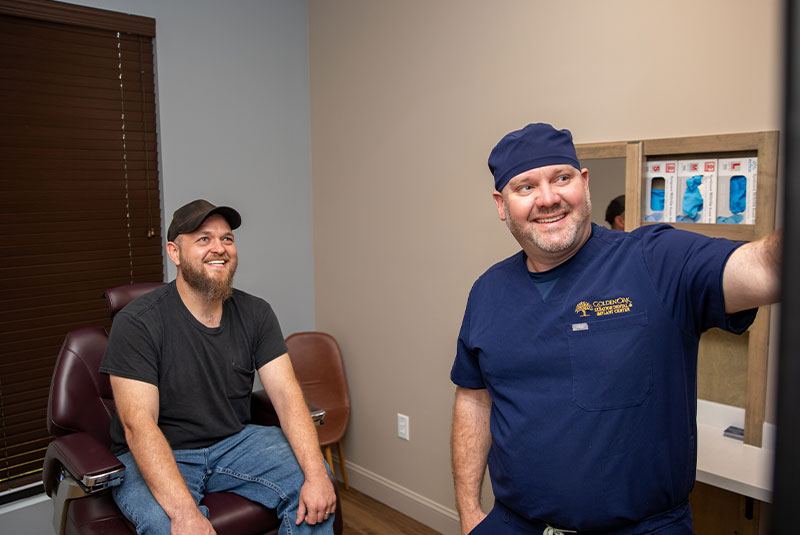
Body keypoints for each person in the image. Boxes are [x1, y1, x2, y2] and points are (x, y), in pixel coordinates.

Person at [450, 123, 780, 535]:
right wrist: (468, 510)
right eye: (526, 187)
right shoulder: (487, 291)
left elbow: (764, 268)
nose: (548, 198)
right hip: (512, 523)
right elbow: (473, 398)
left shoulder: (656, 260)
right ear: (502, 204)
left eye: (562, 178)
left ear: (583, 184)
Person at [99, 199, 336, 535]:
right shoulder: (138, 322)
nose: (219, 248)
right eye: (203, 239)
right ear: (174, 252)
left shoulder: (257, 313)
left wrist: (315, 475)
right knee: (166, 525)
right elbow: (139, 425)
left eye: (227, 239)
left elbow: (285, 393)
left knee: (316, 483)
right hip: (164, 449)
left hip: (234, 442)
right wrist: (184, 513)